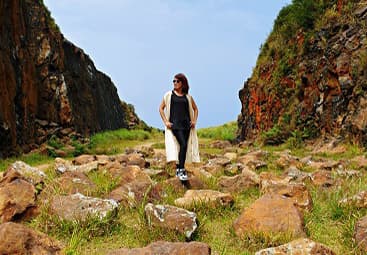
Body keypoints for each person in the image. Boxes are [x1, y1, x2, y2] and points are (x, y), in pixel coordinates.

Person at [159, 73, 200, 181]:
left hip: (186, 126)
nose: (175, 83)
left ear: (182, 83)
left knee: (182, 147)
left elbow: (196, 109)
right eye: (174, 81)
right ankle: (181, 170)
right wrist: (166, 122)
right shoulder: (169, 95)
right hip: (175, 126)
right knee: (183, 144)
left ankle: (179, 168)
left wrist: (194, 121)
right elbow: (161, 108)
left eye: (177, 81)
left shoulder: (188, 97)